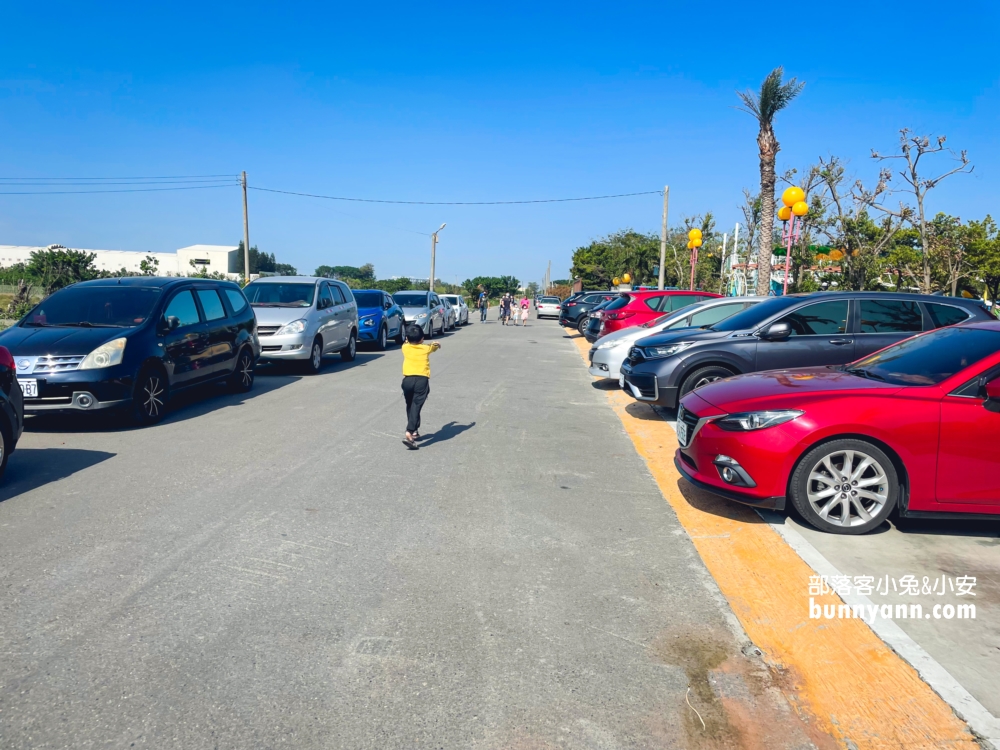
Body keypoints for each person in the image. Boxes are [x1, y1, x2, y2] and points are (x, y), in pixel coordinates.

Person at [400, 324, 440, 449]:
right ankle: (409, 431)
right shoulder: (426, 348)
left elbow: (407, 341)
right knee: (416, 406)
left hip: (407, 381)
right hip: (421, 381)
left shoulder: (405, 347)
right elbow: (433, 347)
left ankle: (415, 430)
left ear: (407, 338)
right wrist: (436, 344)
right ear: (422, 338)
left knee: (410, 405)